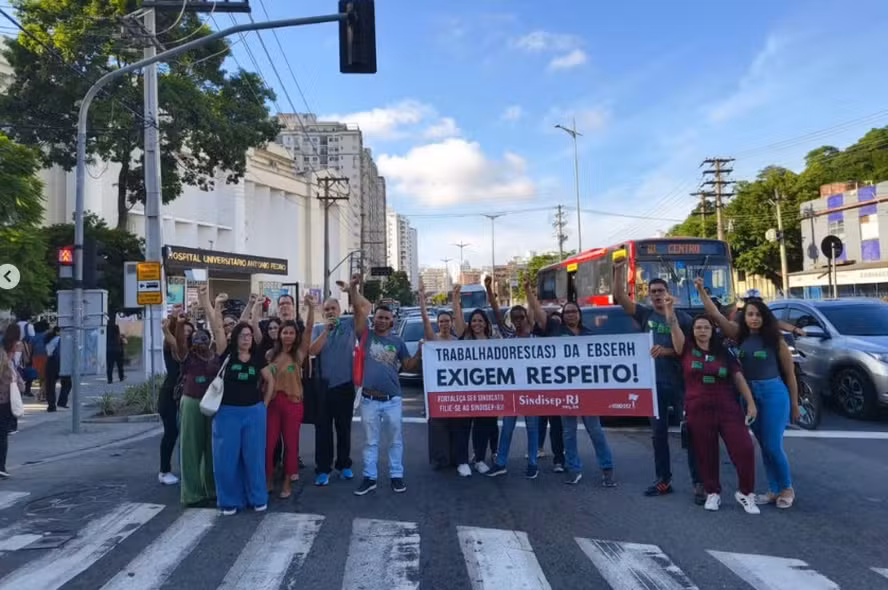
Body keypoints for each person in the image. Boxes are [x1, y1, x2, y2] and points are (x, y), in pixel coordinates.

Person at [695, 278, 799, 509]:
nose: (754, 318)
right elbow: (715, 314)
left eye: (758, 315)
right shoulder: (739, 335)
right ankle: (774, 489)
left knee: (773, 445)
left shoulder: (776, 341)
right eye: (750, 314)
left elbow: (790, 375)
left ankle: (787, 487)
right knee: (764, 445)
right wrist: (701, 289)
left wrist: (794, 404)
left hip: (773, 394)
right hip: (749, 396)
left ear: (765, 317)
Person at [613, 259, 702, 501]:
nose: (657, 295)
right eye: (653, 292)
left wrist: (666, 352)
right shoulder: (645, 314)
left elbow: (688, 351)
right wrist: (618, 271)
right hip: (654, 386)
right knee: (658, 436)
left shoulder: (683, 318)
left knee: (690, 433)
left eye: (661, 291)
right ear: (649, 295)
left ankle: (699, 483)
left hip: (681, 384)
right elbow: (620, 297)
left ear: (668, 293)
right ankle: (663, 480)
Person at [664, 296, 760, 513]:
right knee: (706, 453)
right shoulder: (686, 349)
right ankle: (712, 492)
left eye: (706, 327)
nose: (702, 331)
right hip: (698, 408)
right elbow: (674, 327)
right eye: (698, 327)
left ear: (712, 330)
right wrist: (669, 310)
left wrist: (751, 403)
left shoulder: (723, 352)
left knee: (745, 448)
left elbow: (738, 377)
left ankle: (746, 493)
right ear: (693, 331)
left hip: (727, 407)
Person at [350, 276, 422, 496]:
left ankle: (396, 476)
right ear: (375, 319)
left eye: (386, 318)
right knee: (370, 442)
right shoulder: (366, 336)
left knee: (395, 441)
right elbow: (358, 311)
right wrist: (353, 288)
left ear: (392, 321)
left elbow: (408, 365)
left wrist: (420, 351)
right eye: (379, 317)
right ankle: (369, 477)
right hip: (369, 399)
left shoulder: (398, 342)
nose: (382, 320)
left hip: (392, 400)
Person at [538, 301, 616, 486]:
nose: (571, 314)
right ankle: (573, 469)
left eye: (574, 311)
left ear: (579, 314)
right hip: (566, 391)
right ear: (563, 316)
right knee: (569, 433)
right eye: (567, 312)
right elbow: (540, 316)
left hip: (588, 392)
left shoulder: (589, 334)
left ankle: (607, 468)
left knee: (595, 431)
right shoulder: (556, 333)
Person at [171, 287, 228, 507]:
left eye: (204, 338)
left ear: (209, 340)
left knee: (212, 447)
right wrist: (178, 323)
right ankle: (192, 493)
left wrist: (215, 307)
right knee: (191, 449)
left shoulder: (216, 355)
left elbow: (219, 331)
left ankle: (212, 488)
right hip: (192, 401)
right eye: (196, 338)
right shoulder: (187, 356)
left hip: (212, 404)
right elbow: (179, 343)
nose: (200, 341)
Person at [486, 276, 544, 479]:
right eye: (515, 318)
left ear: (527, 318)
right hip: (512, 391)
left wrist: (528, 291)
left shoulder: (537, 339)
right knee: (507, 428)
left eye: (521, 317)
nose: (518, 321)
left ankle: (533, 463)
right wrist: (488, 289)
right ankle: (501, 462)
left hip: (531, 390)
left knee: (532, 428)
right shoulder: (509, 336)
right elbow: (496, 313)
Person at [214, 318, 270, 514]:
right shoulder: (226, 354)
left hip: (253, 412)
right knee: (226, 459)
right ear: (235, 338)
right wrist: (215, 306)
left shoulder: (257, 357)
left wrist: (264, 405)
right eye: (243, 335)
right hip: (227, 412)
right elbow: (217, 326)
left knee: (254, 458)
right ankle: (229, 501)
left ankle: (257, 497)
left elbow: (270, 380)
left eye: (249, 336)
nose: (247, 339)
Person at [262, 296, 315, 499]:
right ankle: (268, 478)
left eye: (292, 333)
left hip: (293, 404)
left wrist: (311, 308)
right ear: (279, 334)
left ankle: (287, 481)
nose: (288, 336)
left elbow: (308, 330)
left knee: (291, 446)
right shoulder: (270, 355)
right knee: (269, 444)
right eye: (285, 332)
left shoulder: (299, 354)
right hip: (273, 404)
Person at [418, 282, 471, 475]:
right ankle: (441, 459)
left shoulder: (458, 342)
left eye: (447, 321)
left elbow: (460, 319)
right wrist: (422, 298)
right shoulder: (433, 340)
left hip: (456, 390)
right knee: (438, 426)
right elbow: (425, 320)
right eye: (441, 321)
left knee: (457, 427)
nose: (444, 324)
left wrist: (456, 297)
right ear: (438, 324)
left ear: (451, 323)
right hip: (438, 391)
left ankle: (458, 458)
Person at [310, 293, 358, 486]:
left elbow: (364, 310)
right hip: (323, 387)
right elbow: (312, 351)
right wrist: (326, 331)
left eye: (333, 308)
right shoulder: (318, 329)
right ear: (323, 313)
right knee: (323, 431)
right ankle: (323, 469)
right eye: (327, 309)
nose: (330, 312)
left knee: (344, 429)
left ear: (339, 310)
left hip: (345, 385)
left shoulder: (349, 325)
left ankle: (344, 464)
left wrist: (352, 290)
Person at [452, 286, 498, 475]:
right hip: (465, 389)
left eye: (480, 320)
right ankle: (462, 461)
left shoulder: (494, 342)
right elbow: (458, 318)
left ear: (486, 323)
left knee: (483, 427)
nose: (477, 323)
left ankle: (479, 459)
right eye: (474, 321)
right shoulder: (465, 337)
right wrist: (456, 298)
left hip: (487, 391)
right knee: (463, 426)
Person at [157, 310, 192, 486]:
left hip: (186, 395)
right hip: (170, 396)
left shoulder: (190, 352)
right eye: (183, 331)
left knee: (185, 434)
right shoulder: (170, 348)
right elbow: (173, 342)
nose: (186, 334)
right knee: (171, 433)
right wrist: (173, 324)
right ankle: (164, 471)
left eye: (189, 332)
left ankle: (186, 469)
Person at [0, 324, 25, 478]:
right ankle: (1, 467)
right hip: (4, 399)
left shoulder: (6, 351)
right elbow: (11, 375)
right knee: (2, 434)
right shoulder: (5, 355)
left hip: (5, 398)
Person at [106, 314, 126, 384]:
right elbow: (120, 339)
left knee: (110, 366)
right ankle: (121, 377)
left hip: (109, 350)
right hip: (117, 350)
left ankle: (110, 379)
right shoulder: (116, 328)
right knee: (120, 365)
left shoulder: (107, 329)